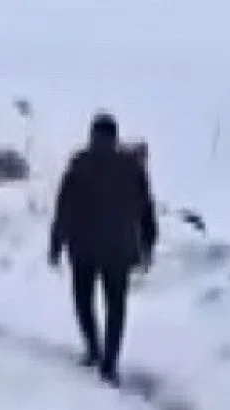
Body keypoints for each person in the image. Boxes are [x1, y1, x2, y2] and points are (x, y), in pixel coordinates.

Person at [49, 112, 158, 386]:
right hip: (119, 250)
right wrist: (149, 242)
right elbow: (146, 208)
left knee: (84, 301)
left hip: (83, 248)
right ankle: (110, 363)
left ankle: (93, 348)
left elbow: (64, 208)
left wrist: (56, 244)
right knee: (116, 308)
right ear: (115, 136)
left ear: (92, 135)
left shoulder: (80, 165)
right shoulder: (131, 167)